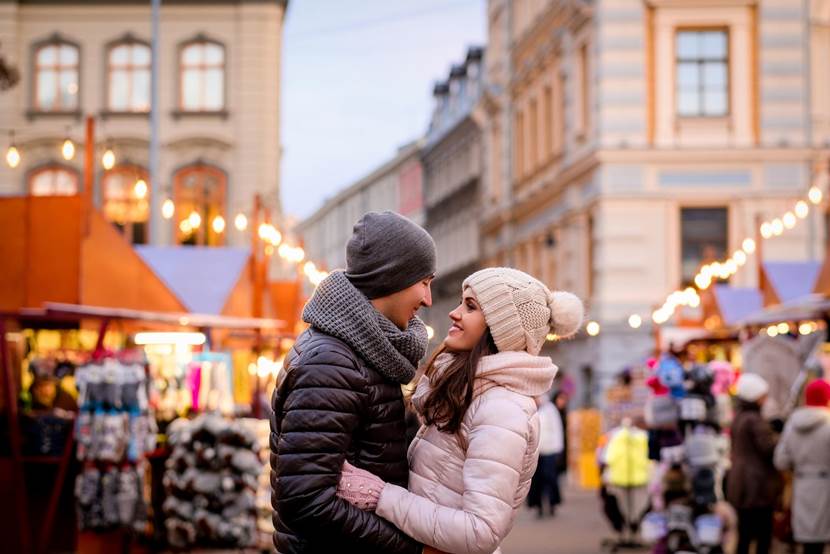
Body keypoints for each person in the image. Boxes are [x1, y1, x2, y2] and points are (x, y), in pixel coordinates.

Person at [336, 267, 584, 554]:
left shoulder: (501, 408)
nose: (454, 313)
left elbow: (480, 532)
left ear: (500, 327)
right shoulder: (473, 392)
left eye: (470, 306)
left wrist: (380, 496)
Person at [269, 211, 436, 553]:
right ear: (394, 277)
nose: (428, 299)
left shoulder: (366, 352)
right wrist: (407, 547)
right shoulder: (330, 362)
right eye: (424, 281)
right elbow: (307, 500)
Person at [726, 373, 781, 554]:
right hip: (757, 486)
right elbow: (769, 449)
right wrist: (777, 434)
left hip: (740, 483)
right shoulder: (754, 420)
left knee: (744, 534)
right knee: (762, 535)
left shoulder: (739, 417)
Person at [774, 379, 830, 554]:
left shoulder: (792, 424)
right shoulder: (828, 424)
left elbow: (780, 460)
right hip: (825, 486)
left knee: (807, 543)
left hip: (801, 485)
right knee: (821, 538)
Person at [527, 392, 564, 517]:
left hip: (549, 450)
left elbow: (557, 429)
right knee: (536, 480)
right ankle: (538, 506)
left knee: (550, 477)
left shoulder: (550, 410)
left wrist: (559, 449)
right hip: (535, 452)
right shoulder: (530, 409)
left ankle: (553, 503)